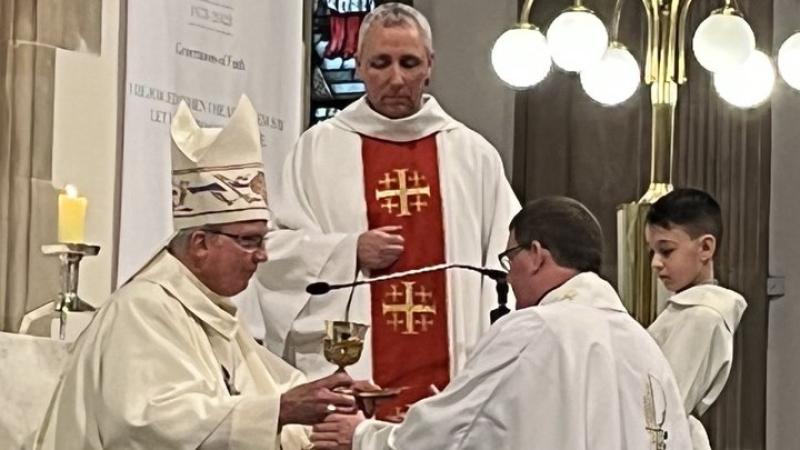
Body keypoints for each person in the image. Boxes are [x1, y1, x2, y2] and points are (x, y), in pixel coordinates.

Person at [30, 96, 358, 450]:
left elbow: (271, 388)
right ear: (201, 243)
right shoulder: (144, 309)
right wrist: (281, 411)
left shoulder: (208, 311)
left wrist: (329, 405)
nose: (262, 255)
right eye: (249, 241)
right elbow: (150, 425)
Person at [243, 2, 520, 418]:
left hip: (453, 376)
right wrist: (347, 250)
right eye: (380, 63)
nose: (396, 78)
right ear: (357, 66)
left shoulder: (473, 155)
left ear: (430, 65)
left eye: (409, 63)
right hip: (356, 376)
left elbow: (507, 265)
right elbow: (275, 253)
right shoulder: (318, 150)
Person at [308, 196, 692, 450]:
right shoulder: (644, 345)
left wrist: (361, 435)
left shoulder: (534, 329)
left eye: (511, 258)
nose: (508, 276)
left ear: (537, 255)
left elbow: (445, 437)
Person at [645, 188, 747, 450]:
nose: (656, 263)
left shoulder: (702, 315)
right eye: (652, 252)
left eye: (666, 251)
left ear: (705, 247)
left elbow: (663, 409)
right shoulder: (686, 309)